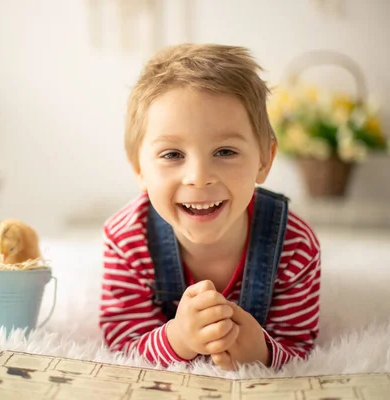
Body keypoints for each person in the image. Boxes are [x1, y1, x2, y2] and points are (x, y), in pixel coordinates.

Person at [99, 43, 321, 370]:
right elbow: (121, 346)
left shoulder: (294, 246)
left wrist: (262, 353)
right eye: (172, 154)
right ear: (139, 170)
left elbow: (300, 346)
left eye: (225, 152)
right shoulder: (126, 241)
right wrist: (178, 339)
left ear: (264, 160)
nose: (199, 178)